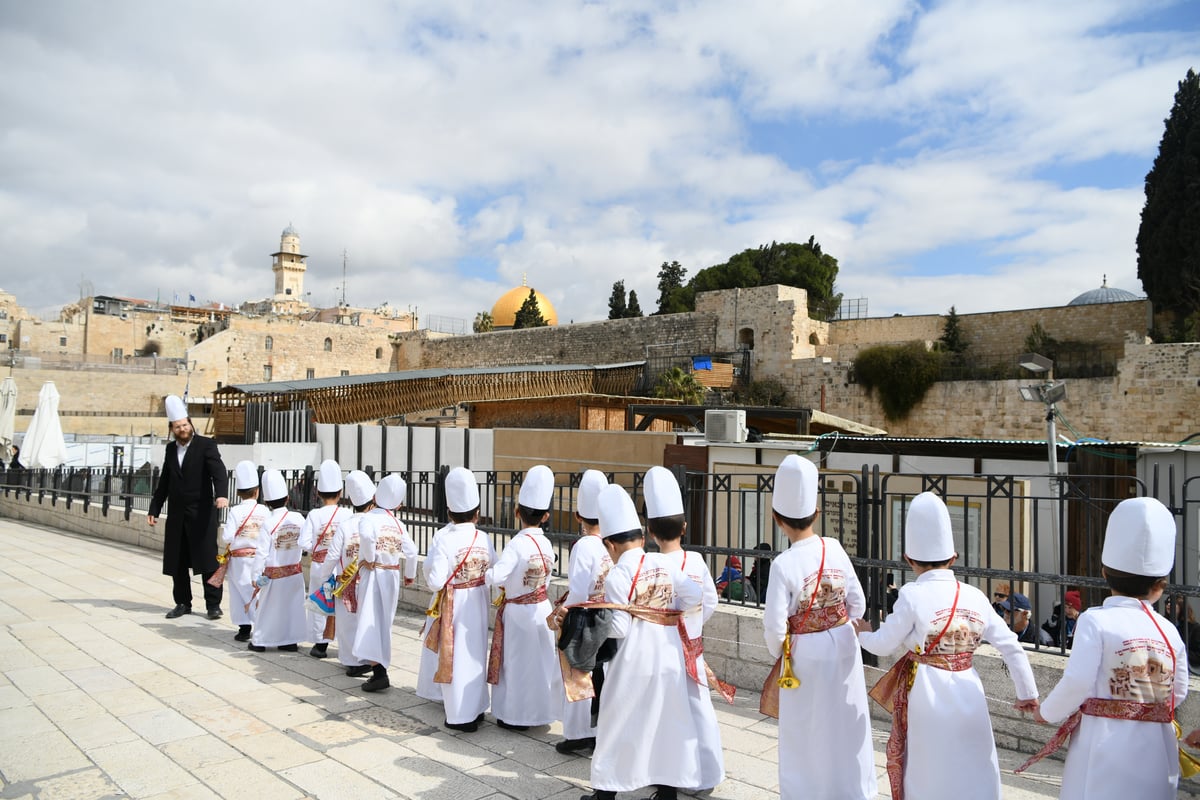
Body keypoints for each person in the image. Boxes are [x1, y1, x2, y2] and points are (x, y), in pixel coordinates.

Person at [854, 492, 1039, 800]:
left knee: (929, 764)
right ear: (954, 558)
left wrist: (863, 632)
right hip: (969, 687)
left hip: (927, 691)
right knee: (974, 758)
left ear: (908, 560)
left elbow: (884, 645)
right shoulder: (976, 596)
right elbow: (1011, 646)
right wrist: (1027, 694)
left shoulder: (911, 595)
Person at [1022, 497, 1189, 799]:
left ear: (1103, 572)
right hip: (1156, 745)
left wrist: (1046, 713)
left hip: (1104, 742)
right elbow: (1178, 692)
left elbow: (1077, 682)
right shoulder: (1168, 631)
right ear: (1161, 585)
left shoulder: (1096, 620)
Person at [762, 454, 876, 800]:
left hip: (804, 653)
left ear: (777, 519)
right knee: (845, 722)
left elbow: (774, 626)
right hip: (843, 644)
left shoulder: (783, 564)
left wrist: (781, 651)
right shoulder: (835, 547)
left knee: (806, 731)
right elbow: (858, 604)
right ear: (817, 513)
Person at [583, 484, 705, 800]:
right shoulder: (663, 563)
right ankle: (666, 791)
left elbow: (620, 627)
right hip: (668, 656)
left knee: (615, 720)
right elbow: (693, 595)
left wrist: (594, 618)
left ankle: (606, 793)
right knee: (668, 721)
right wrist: (666, 612)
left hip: (633, 660)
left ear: (609, 544)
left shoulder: (618, 574)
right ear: (641, 537)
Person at [642, 465, 726, 793]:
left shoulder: (650, 565)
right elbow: (710, 601)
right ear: (685, 527)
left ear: (650, 531)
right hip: (692, 647)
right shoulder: (696, 561)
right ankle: (706, 774)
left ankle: (668, 773)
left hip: (662, 651)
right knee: (699, 711)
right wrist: (691, 626)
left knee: (665, 715)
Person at [485, 464, 562, 729]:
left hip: (518, 612)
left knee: (517, 665)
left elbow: (498, 575)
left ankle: (516, 717)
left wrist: (486, 574)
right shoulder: (546, 544)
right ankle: (540, 713)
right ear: (546, 517)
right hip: (541, 608)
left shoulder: (517, 544)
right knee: (540, 664)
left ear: (517, 513)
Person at [423, 466, 496, 732]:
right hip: (478, 601)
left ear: (449, 513)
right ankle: (475, 708)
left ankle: (460, 715)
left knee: (455, 656)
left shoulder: (445, 539)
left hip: (454, 604)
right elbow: (494, 571)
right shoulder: (484, 538)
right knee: (475, 653)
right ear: (477, 513)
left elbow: (435, 581)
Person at [147, 395, 229, 620]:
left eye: (185, 424)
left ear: (191, 424)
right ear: (172, 429)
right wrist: (154, 508)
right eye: (178, 426)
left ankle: (213, 605)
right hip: (177, 515)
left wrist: (221, 495)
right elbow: (165, 481)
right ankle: (182, 603)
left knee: (208, 560)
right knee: (177, 560)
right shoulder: (171, 450)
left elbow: (219, 472)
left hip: (202, 514)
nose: (183, 429)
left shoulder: (206, 445)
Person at [551, 468, 611, 755]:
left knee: (576, 674)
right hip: (607, 615)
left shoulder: (583, 546)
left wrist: (562, 612)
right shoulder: (610, 545)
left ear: (578, 516)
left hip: (583, 615)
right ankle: (598, 730)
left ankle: (577, 734)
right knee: (601, 675)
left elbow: (577, 589)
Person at [352, 474, 418, 692]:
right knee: (384, 622)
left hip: (373, 574)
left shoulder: (368, 518)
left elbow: (368, 539)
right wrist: (410, 574)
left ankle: (379, 672)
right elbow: (412, 551)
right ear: (399, 503)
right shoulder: (398, 524)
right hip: (391, 576)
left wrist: (369, 558)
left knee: (370, 619)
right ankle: (378, 668)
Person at [247, 469, 307, 653]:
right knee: (292, 608)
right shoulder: (298, 518)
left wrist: (255, 575)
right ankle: (289, 640)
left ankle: (260, 640)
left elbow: (261, 553)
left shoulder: (268, 523)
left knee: (268, 609)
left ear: (266, 502)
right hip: (294, 573)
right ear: (288, 498)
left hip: (274, 574)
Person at [328, 470, 376, 678]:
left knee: (347, 623)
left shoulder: (345, 526)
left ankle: (351, 660)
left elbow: (331, 556)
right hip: (369, 580)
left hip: (346, 581)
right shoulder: (376, 523)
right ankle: (369, 658)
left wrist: (323, 578)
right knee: (367, 620)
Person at [301, 460, 350, 658]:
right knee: (342, 603)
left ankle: (320, 644)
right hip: (341, 565)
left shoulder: (314, 514)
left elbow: (303, 542)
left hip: (320, 565)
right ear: (340, 492)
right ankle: (343, 641)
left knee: (319, 602)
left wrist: (319, 548)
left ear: (318, 494)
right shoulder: (347, 514)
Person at [220, 460, 270, 642]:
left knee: (239, 592)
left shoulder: (235, 511)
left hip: (239, 559)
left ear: (238, 492)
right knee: (257, 591)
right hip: (259, 557)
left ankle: (244, 628)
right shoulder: (264, 510)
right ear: (257, 491)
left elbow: (227, 537)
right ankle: (261, 625)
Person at [1164, 594, 1200, 674]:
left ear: (1182, 606)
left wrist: (1179, 652)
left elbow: (1198, 655)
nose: (1169, 605)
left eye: (1173, 602)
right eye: (1167, 602)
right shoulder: (1162, 623)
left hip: (1186, 670)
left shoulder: (1194, 628)